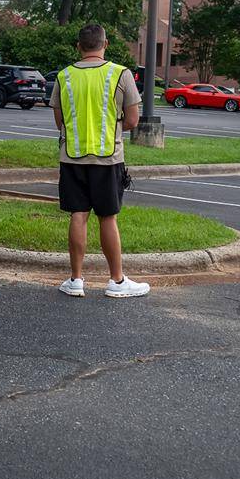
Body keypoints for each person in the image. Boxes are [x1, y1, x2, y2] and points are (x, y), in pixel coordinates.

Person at [51, 24, 150, 298]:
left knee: (78, 215)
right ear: (105, 45)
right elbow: (132, 120)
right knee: (107, 217)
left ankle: (76, 280)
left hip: (72, 156)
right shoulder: (121, 74)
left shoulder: (64, 76)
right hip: (108, 157)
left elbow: (59, 122)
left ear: (78, 46)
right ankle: (116, 281)